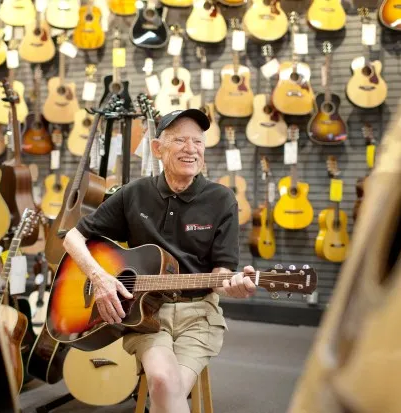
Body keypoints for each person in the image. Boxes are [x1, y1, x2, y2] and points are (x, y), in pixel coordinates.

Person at [62, 109, 257, 413]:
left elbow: (221, 275)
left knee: (167, 388)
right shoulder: (134, 194)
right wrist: (99, 278)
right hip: (145, 315)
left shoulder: (222, 199)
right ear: (157, 148)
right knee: (165, 382)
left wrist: (234, 287)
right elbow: (72, 237)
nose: (191, 149)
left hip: (198, 315)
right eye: (180, 141)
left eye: (198, 142)